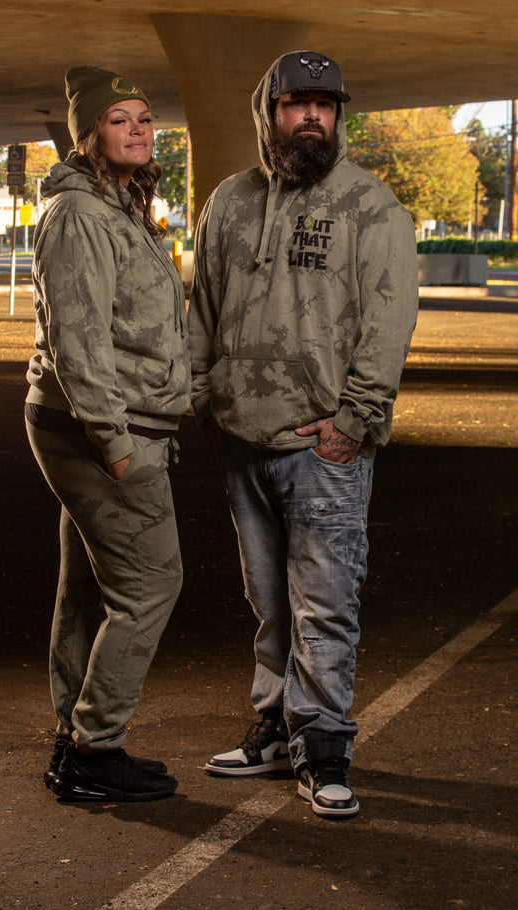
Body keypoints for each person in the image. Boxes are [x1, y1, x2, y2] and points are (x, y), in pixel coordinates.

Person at [188, 50, 418, 819]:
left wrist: (352, 423)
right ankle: (274, 723)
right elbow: (203, 311)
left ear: (339, 116)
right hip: (243, 445)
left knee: (323, 603)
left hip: (323, 449)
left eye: (325, 104)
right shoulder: (228, 201)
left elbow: (388, 327)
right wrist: (203, 399)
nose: (311, 116)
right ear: (269, 111)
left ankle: (322, 750)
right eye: (296, 104)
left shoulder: (370, 207)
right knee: (270, 603)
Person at [25, 65, 191, 802]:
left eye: (144, 118)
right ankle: (94, 749)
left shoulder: (117, 204)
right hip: (97, 427)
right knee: (152, 582)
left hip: (100, 421)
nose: (136, 128)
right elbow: (79, 341)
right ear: (88, 133)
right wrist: (117, 443)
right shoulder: (82, 216)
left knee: (89, 592)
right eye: (119, 119)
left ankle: (74, 738)